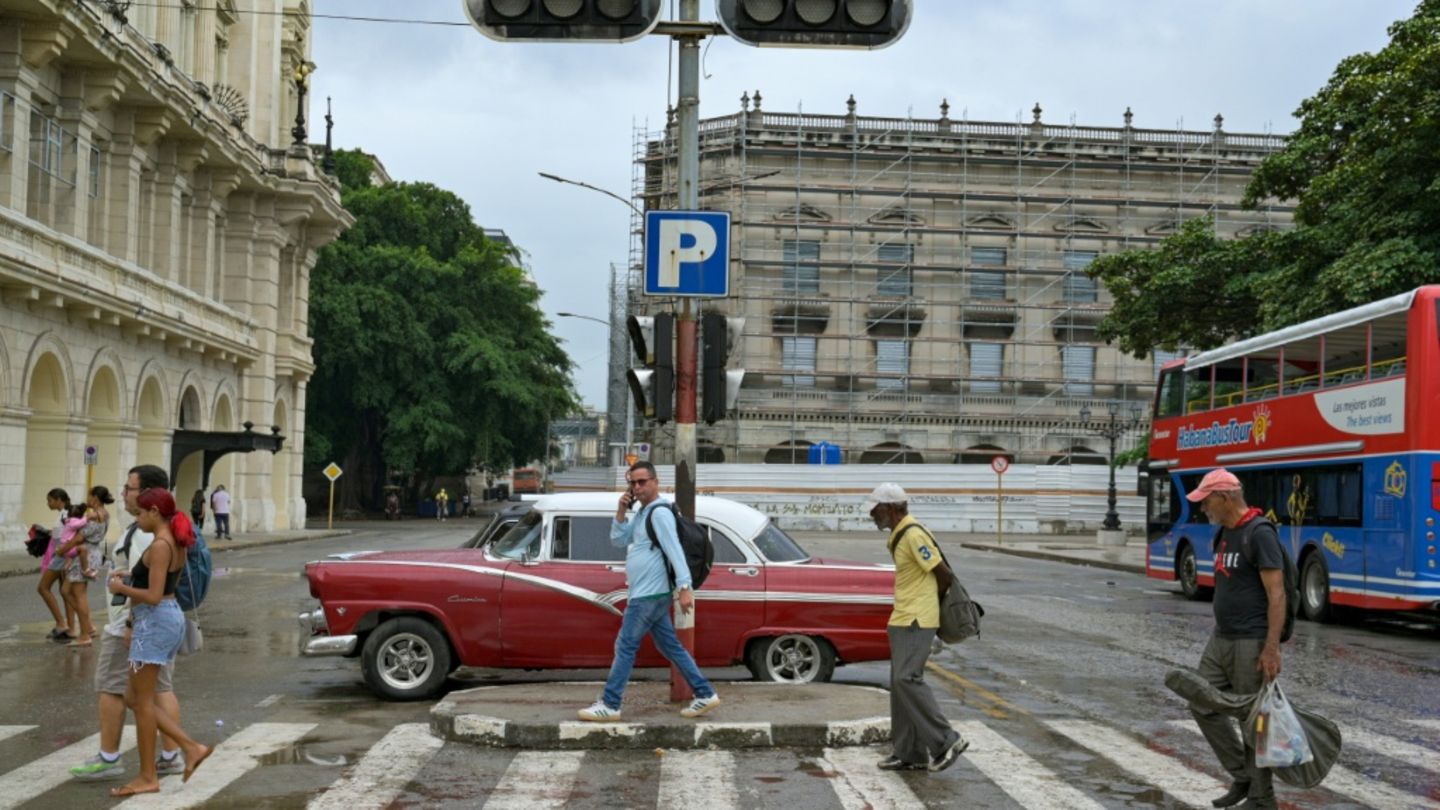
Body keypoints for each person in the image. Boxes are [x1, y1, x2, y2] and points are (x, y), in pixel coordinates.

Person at [577, 462, 720, 722]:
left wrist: (685, 588)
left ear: (656, 482)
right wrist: (621, 510)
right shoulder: (643, 513)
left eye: (642, 482)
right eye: (633, 483)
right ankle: (704, 693)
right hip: (647, 593)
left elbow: (674, 550)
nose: (637, 487)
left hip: (648, 595)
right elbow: (618, 540)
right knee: (672, 648)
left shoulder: (659, 514)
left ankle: (610, 704)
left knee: (625, 646)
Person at [69, 466, 186, 784]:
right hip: (160, 621)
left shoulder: (147, 534)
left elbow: (151, 586)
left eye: (129, 488)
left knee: (111, 687)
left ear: (148, 497)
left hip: (135, 623)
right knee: (160, 689)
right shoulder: (161, 529)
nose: (122, 492)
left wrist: (130, 623)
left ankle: (109, 758)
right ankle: (171, 755)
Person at [1185, 468, 1286, 810]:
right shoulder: (1223, 534)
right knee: (1200, 701)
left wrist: (1271, 648)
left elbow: (1277, 594)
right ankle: (1243, 774)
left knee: (1253, 721)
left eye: (1206, 501)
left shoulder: (1259, 533)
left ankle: (1262, 798)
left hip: (1251, 641)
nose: (1203, 509)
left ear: (1225, 497)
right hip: (1221, 638)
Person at [104, 486, 212, 797]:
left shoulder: (162, 544)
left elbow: (153, 595)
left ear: (154, 513)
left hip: (154, 622)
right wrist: (131, 577)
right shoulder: (171, 540)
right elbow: (159, 582)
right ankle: (191, 748)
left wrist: (120, 589)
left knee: (141, 702)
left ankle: (148, 775)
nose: (137, 519)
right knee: (135, 698)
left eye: (140, 513)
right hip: (164, 618)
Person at [864, 483, 969, 773]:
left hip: (916, 620)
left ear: (892, 508)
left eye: (876, 509)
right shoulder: (901, 534)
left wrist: (927, 609)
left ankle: (946, 740)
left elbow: (945, 576)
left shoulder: (913, 535)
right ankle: (909, 752)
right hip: (903, 618)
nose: (872, 514)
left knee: (907, 679)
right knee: (899, 686)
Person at [37, 487, 79, 642]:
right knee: (65, 591)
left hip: (61, 556)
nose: (48, 503)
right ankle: (71, 628)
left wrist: (63, 553)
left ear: (59, 500)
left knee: (43, 588)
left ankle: (61, 623)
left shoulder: (66, 514)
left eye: (50, 500)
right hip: (63, 555)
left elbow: (69, 536)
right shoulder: (64, 514)